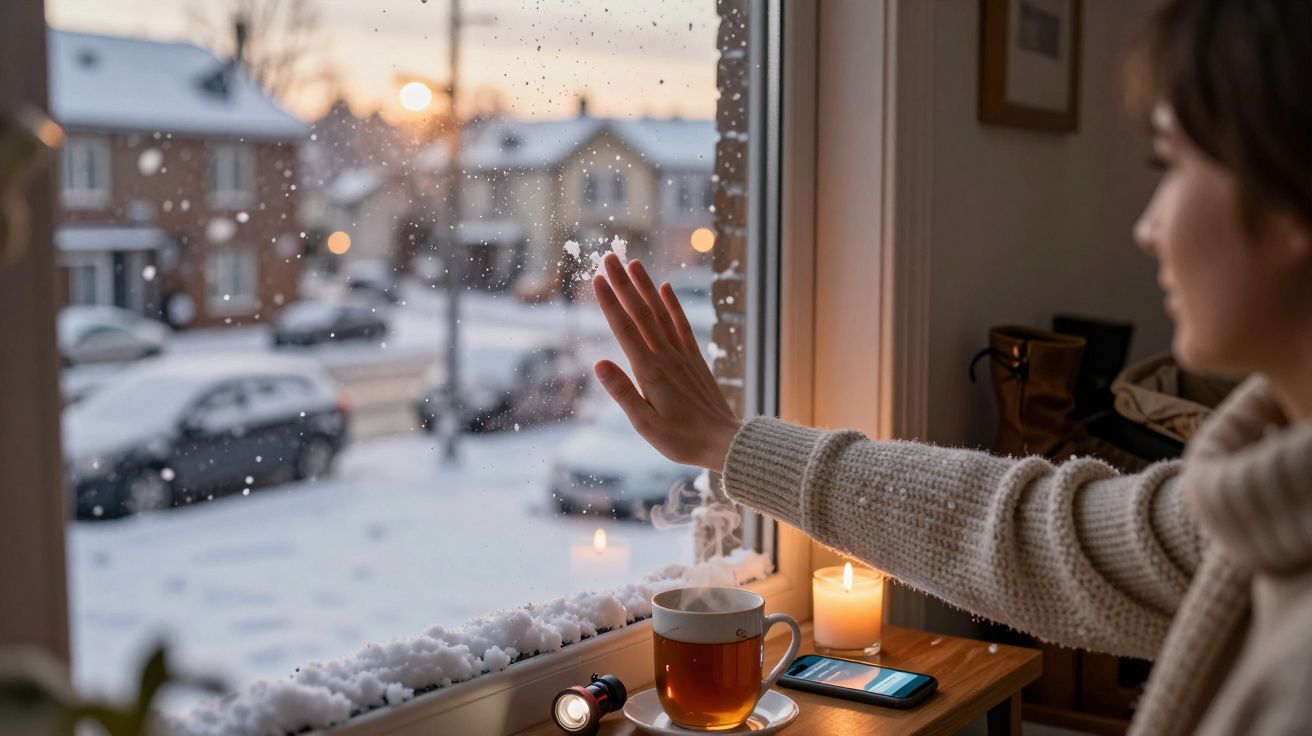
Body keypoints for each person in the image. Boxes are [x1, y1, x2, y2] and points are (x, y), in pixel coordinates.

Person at [587, 1, 1312, 734]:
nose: (1148, 227)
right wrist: (730, 444)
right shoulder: (1259, 510)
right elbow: (1030, 536)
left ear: (1289, 196)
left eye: (1174, 163)